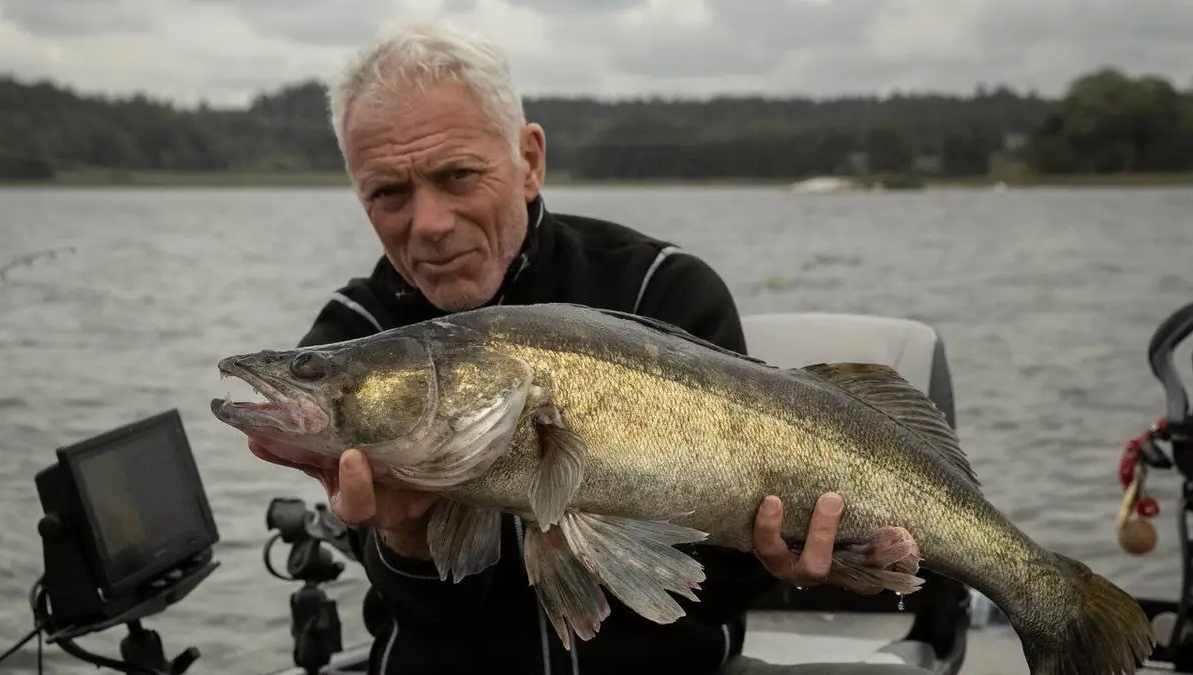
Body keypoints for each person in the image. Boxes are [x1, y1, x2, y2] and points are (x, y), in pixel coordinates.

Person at [246, 20, 929, 675]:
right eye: (389, 192)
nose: (428, 222)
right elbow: (434, 620)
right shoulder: (349, 340)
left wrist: (780, 559)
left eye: (457, 175)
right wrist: (406, 541)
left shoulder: (663, 286)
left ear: (529, 161)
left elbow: (709, 599)